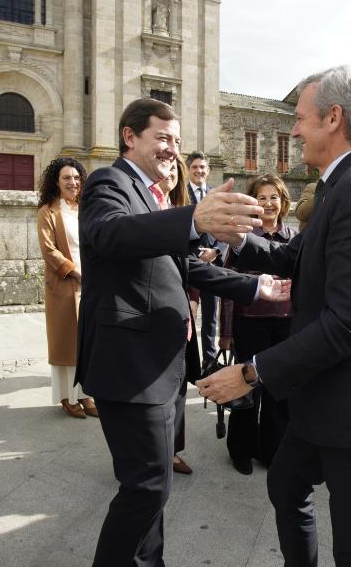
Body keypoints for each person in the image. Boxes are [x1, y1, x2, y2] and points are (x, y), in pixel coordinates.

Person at [198, 65, 351, 567]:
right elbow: (302, 259)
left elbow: (347, 324)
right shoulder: (341, 183)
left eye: (299, 118)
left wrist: (252, 373)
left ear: (333, 118)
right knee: (287, 481)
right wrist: (241, 239)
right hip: (327, 392)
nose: (293, 130)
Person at [76, 97, 290, 567]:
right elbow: (110, 235)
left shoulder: (152, 195)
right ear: (130, 137)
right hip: (130, 366)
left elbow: (185, 269)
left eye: (176, 140)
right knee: (147, 486)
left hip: (163, 362)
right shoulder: (108, 184)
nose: (172, 149)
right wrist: (192, 218)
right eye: (162, 138)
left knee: (153, 485)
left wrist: (255, 287)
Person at [219, 173, 294, 475]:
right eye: (262, 198)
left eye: (273, 197)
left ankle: (272, 448)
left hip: (285, 326)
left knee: (279, 389)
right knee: (246, 387)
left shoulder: (293, 238)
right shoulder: (243, 238)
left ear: (283, 201)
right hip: (249, 323)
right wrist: (225, 333)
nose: (268, 203)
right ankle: (241, 448)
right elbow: (226, 286)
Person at [36, 157, 97, 420]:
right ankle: (67, 397)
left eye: (76, 177)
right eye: (66, 178)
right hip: (65, 283)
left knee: (88, 341)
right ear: (56, 182)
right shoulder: (48, 211)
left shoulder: (88, 208)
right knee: (66, 343)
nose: (72, 182)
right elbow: (49, 250)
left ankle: (86, 393)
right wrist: (75, 271)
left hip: (93, 282)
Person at [158, 156, 199, 475]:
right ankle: (152, 451)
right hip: (149, 316)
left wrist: (193, 301)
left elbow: (190, 265)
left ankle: (172, 451)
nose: (169, 174)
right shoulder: (142, 211)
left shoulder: (184, 213)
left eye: (175, 170)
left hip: (180, 310)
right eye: (165, 168)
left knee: (179, 385)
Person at [186, 150, 223, 365]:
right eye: (195, 167)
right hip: (189, 262)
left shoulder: (215, 197)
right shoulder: (180, 194)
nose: (199, 171)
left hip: (211, 263)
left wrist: (215, 251)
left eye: (202, 167)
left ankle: (209, 361)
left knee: (211, 316)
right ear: (189, 170)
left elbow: (224, 228)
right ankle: (186, 360)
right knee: (187, 314)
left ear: (208, 171)